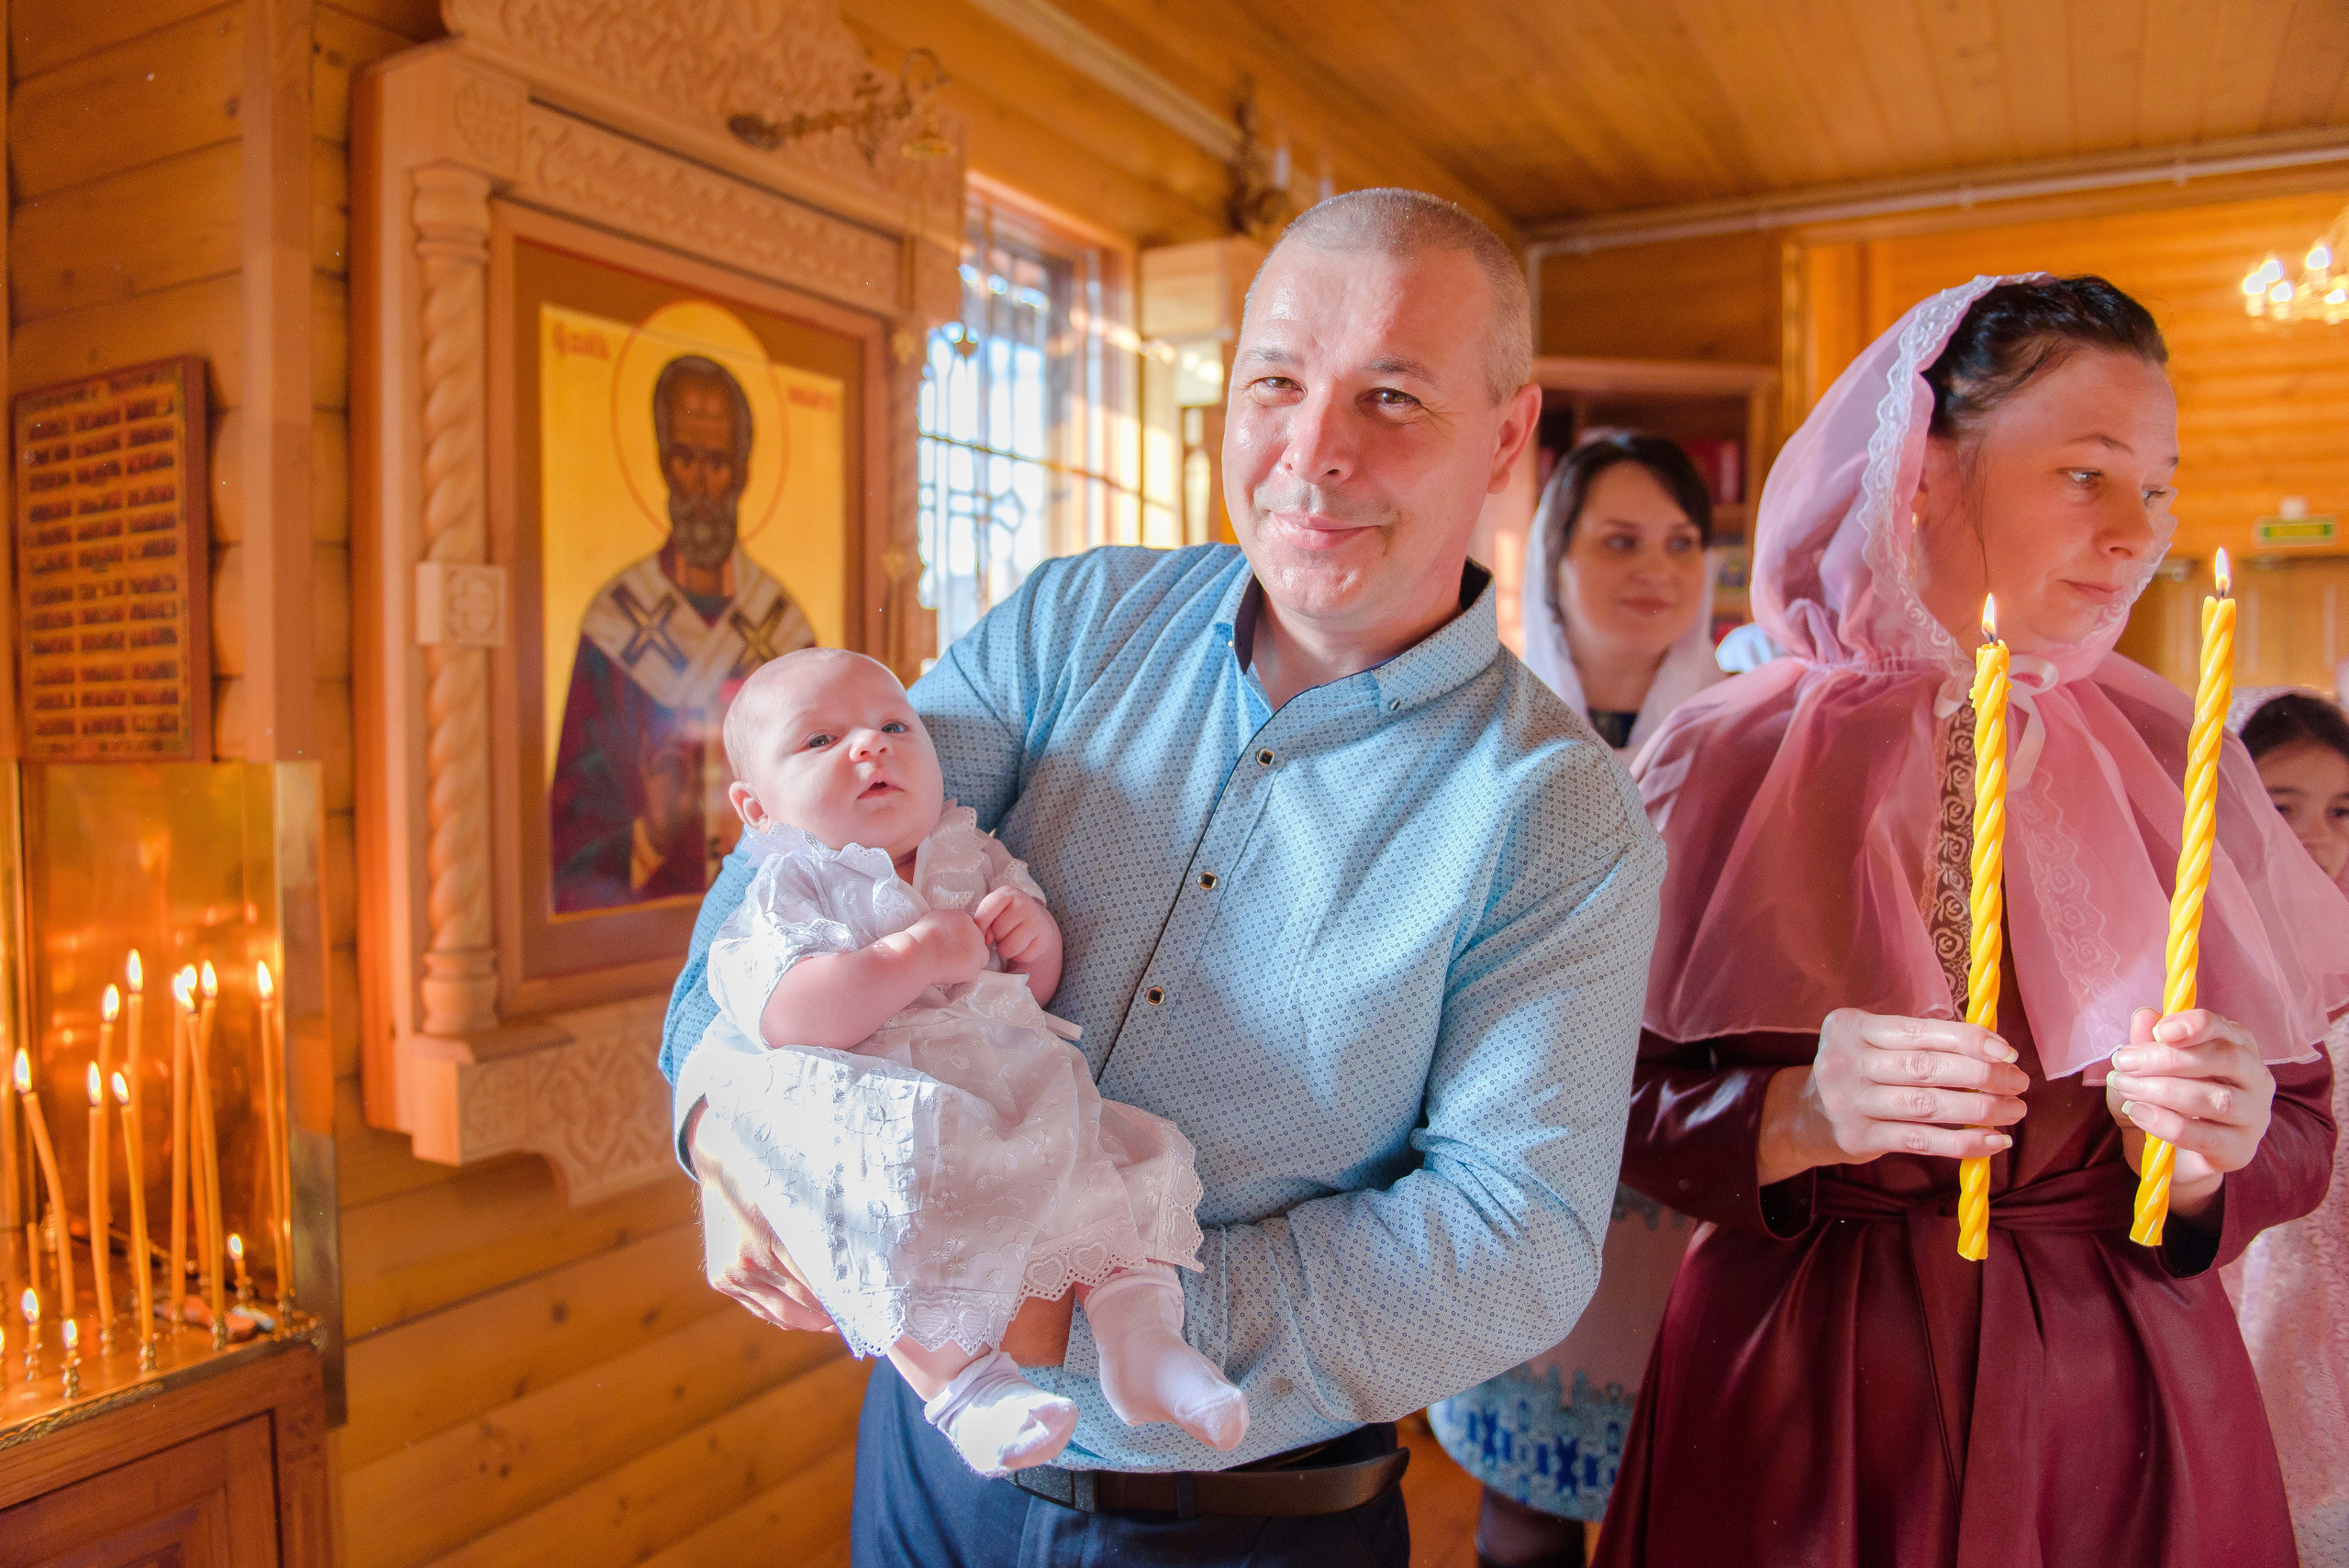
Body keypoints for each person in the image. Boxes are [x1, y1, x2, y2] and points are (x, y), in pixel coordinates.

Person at [663, 187, 1666, 1566]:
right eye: (1278, 382)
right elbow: (797, 851)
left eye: (1390, 396)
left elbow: (1515, 1238)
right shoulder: (1077, 618)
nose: (1312, 453)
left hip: (1235, 1517)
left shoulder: (1559, 814)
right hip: (926, 1467)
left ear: (1506, 435)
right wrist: (715, 1127)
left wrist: (1067, 1317)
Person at [1598, 274, 2349, 1568]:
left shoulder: (2181, 753)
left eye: (2157, 489)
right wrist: (1790, 1117)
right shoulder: (1722, 756)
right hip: (1802, 1394)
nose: (2136, 535)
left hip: (2126, 1409)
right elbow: (1583, 1097)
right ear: (1920, 472)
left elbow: (2301, 1121)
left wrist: (2222, 1150)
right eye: (2086, 473)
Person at [688, 647, 1243, 1478]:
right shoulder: (791, 889)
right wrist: (909, 958)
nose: (868, 747)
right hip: (887, 1117)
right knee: (884, 1221)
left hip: (1010, 1091)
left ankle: (1143, 1341)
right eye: (819, 741)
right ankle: (967, 1389)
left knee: (1114, 1164)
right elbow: (788, 1011)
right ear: (755, 808)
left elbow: (1033, 987)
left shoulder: (969, 850)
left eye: (892, 726)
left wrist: (1034, 941)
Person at [1431, 433, 1720, 1565]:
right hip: (1524, 1147)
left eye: (1680, 541)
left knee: (1687, 1496)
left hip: (1687, 1164)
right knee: (1524, 1499)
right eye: (1618, 539)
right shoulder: (1486, 721)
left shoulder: (1753, 729)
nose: (1655, 566)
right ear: (1552, 560)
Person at [550, 353, 816, 912]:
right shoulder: (614, 627)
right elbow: (570, 841)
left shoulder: (784, 630)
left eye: (718, 462)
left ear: (742, 473)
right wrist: (650, 836)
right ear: (662, 464)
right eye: (684, 458)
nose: (700, 483)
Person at [2227, 688, 2349, 1565]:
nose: (2319, 835)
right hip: (2251, 1307)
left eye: (2343, 810)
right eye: (2282, 805)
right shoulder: (2196, 957)